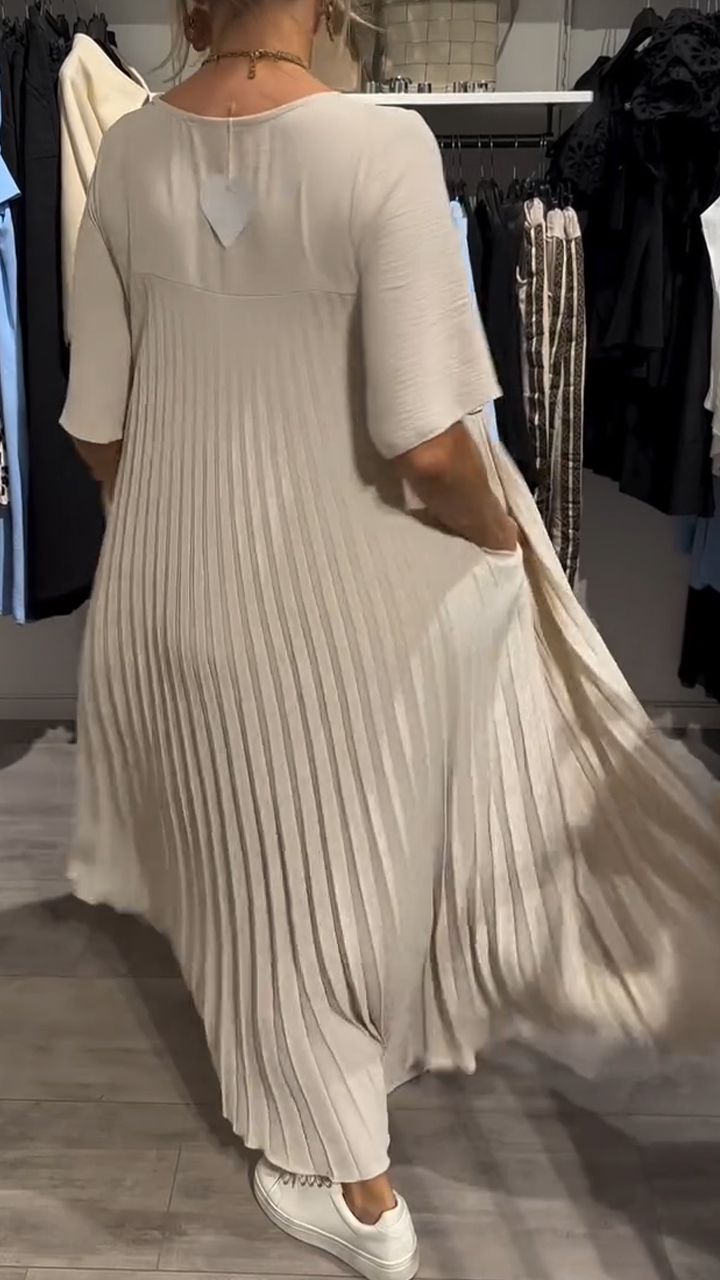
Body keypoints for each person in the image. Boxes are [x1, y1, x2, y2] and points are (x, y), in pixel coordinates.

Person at [61, 1, 720, 1277]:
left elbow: (96, 423)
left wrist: (178, 517)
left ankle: (337, 1088)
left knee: (251, 871)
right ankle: (362, 1193)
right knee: (338, 855)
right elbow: (428, 445)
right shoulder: (384, 149)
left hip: (170, 591)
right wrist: (497, 540)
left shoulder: (132, 152)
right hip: (340, 602)